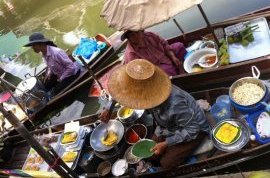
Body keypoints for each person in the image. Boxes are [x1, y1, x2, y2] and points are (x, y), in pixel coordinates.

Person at [100, 59, 210, 169]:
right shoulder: (141, 80)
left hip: (194, 129)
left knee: (166, 163)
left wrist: (166, 143)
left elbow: (193, 129)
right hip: (166, 125)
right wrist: (109, 108)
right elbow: (121, 90)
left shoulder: (174, 105)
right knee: (150, 154)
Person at [121, 30, 187, 76]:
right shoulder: (131, 54)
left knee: (179, 46)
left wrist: (172, 56)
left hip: (164, 55)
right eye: (132, 35)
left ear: (140, 31)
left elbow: (164, 44)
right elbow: (140, 74)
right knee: (167, 70)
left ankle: (180, 66)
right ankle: (178, 74)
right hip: (155, 69)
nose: (136, 36)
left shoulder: (150, 35)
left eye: (137, 32)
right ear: (128, 38)